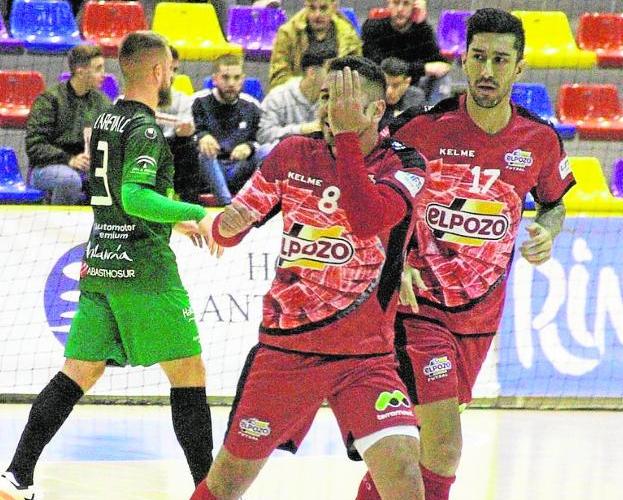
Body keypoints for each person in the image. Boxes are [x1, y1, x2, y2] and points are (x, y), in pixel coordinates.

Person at [355, 9, 576, 500]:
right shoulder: (422, 131)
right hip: (419, 311)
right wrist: (395, 261)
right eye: (478, 57)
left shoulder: (538, 140)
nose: (487, 70)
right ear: (463, 59)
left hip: (479, 319)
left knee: (410, 448)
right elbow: (375, 202)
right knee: (445, 443)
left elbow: (555, 204)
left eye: (500, 60)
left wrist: (547, 228)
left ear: (519, 68)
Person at [190, 56, 430, 500]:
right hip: (285, 353)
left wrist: (345, 141)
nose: (330, 109)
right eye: (324, 97)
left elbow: (366, 219)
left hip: (365, 360)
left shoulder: (406, 166)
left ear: (377, 111)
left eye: (343, 100)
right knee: (224, 485)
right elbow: (234, 225)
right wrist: (225, 222)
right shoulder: (292, 154)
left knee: (404, 479)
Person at [0, 31, 221, 500]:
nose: (172, 76)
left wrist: (171, 222)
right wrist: (194, 213)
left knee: (80, 369)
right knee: (189, 373)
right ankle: (211, 492)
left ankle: (16, 477)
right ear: (159, 71)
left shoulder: (105, 119)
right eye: (171, 69)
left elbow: (120, 193)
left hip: (101, 260)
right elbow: (135, 196)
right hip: (143, 267)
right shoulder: (143, 129)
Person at [26, 44, 110, 205]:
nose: (103, 74)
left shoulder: (102, 102)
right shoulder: (49, 100)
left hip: (87, 167)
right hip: (48, 167)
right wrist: (69, 159)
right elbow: (34, 146)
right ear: (80, 71)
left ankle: (101, 229)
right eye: (98, 68)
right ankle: (56, 228)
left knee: (114, 182)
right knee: (69, 180)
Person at [192, 54, 261, 206]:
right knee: (205, 153)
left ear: (243, 79)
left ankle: (259, 203)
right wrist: (201, 136)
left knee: (268, 151)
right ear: (214, 79)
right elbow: (184, 137)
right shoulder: (198, 102)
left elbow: (260, 140)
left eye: (236, 78)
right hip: (208, 169)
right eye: (225, 77)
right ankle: (228, 205)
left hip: (238, 167)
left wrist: (249, 146)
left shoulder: (252, 106)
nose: (231, 83)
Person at [361, 0, 451, 106]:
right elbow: (379, 64)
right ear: (389, 4)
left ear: (414, 6)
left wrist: (421, 24)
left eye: (406, 3)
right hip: (383, 84)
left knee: (443, 77)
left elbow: (440, 63)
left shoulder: (422, 29)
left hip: (411, 84)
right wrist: (422, 69)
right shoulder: (373, 26)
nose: (400, 9)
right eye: (396, 3)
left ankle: (435, 117)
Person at [257, 49, 334, 159]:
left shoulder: (333, 100)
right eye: (329, 71)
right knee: (266, 150)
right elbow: (263, 135)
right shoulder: (278, 96)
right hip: (283, 154)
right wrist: (301, 130)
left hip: (318, 156)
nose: (335, 77)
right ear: (312, 73)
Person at [268, 0, 362, 89]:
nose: (317, 15)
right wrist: (305, 87)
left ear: (334, 7)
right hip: (296, 97)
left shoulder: (349, 35)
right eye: (312, 8)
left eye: (323, 8)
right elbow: (278, 78)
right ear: (305, 6)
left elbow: (358, 76)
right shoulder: (287, 34)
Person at [156, 46, 201, 203]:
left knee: (188, 144)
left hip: (171, 152)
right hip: (142, 153)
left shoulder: (183, 99)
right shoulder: (130, 99)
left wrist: (185, 132)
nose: (173, 75)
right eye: (169, 69)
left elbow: (186, 127)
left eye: (175, 69)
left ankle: (189, 206)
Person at [380, 56, 425, 129]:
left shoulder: (416, 96)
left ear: (407, 82)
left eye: (396, 85)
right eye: (385, 85)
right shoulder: (373, 95)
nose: (389, 91)